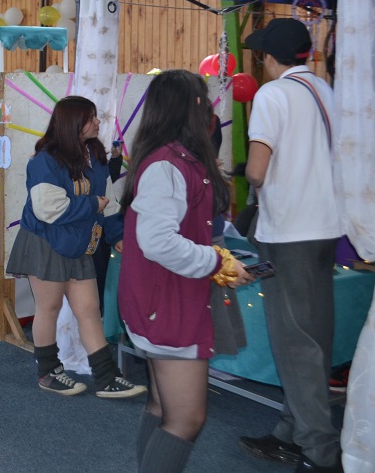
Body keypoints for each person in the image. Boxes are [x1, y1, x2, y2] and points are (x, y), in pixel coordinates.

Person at [117, 69, 252, 473]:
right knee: (186, 418)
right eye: (204, 99)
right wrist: (215, 260)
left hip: (169, 297)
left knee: (164, 408)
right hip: (168, 303)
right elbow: (157, 242)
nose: (210, 108)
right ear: (191, 106)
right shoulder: (167, 164)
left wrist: (215, 258)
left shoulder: (174, 158)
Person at [238, 18, 344, 473]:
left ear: (268, 56)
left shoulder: (272, 94)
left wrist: (243, 172)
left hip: (290, 232)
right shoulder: (324, 91)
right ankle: (291, 429)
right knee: (315, 335)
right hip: (327, 228)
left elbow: (258, 170)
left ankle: (319, 450)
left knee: (294, 343)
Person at [6, 95, 146, 399]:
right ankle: (48, 372)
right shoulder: (45, 161)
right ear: (73, 123)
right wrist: (91, 204)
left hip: (80, 243)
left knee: (88, 310)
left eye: (96, 117)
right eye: (91, 117)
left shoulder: (95, 156)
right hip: (45, 243)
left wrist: (116, 235)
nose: (97, 122)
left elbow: (109, 203)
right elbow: (49, 210)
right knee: (49, 308)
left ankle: (106, 377)